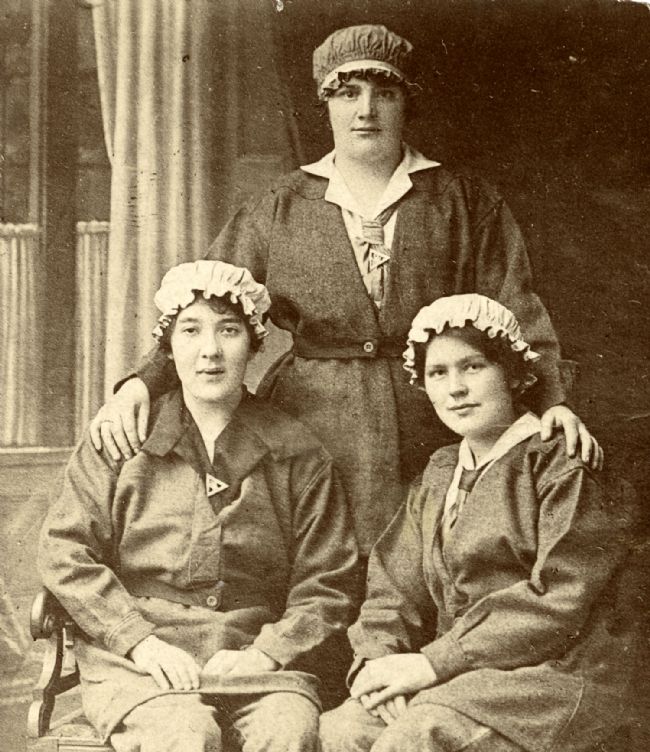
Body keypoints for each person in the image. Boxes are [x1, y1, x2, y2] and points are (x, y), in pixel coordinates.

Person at [258, 294, 637, 752]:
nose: (456, 387)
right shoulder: (439, 471)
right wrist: (378, 664)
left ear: (515, 375)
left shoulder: (562, 462)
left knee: (414, 736)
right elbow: (392, 587)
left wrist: (430, 665)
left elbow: (558, 603)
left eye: (474, 367)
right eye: (438, 373)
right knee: (344, 732)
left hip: (560, 675)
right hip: (465, 679)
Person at [89, 24, 602, 557]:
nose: (366, 111)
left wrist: (552, 401)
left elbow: (516, 307)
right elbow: (200, 307)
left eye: (385, 93)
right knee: (317, 559)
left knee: (424, 560)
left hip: (433, 420)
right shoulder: (280, 205)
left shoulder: (463, 200)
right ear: (325, 102)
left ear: (406, 102)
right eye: (348, 93)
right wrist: (140, 385)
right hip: (309, 420)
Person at [38, 261, 358, 752]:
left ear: (255, 343)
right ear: (168, 345)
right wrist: (140, 639)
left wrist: (269, 653)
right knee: (182, 727)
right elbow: (64, 553)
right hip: (136, 654)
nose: (210, 349)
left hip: (248, 652)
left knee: (290, 725)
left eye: (228, 331)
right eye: (190, 331)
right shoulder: (123, 438)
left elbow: (329, 581)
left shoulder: (294, 447)